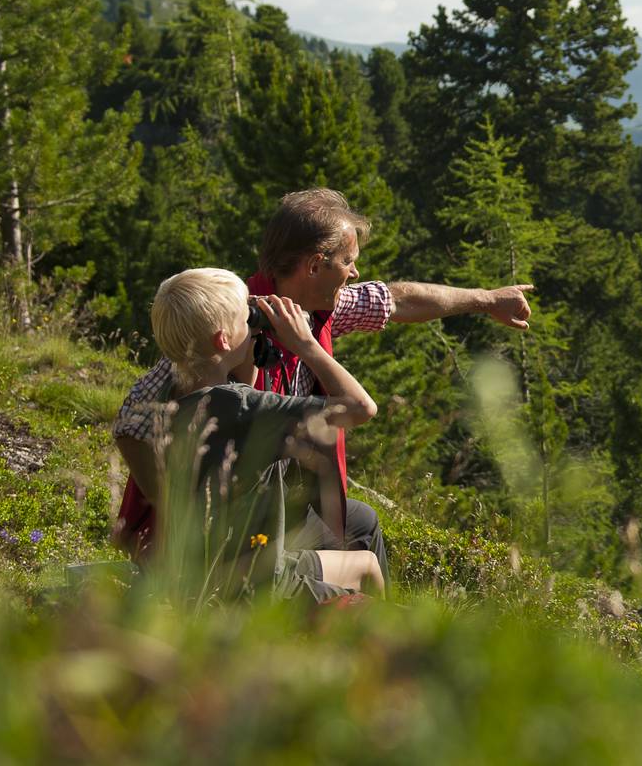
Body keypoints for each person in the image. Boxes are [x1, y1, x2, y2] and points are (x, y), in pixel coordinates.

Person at [111, 188, 533, 575]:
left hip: (273, 500)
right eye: (348, 260)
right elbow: (131, 419)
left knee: (360, 522)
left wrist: (488, 299)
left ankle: (339, 621)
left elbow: (397, 299)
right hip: (229, 527)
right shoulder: (236, 324)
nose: (355, 272)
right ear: (315, 265)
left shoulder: (315, 310)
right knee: (356, 534)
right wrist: (173, 508)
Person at [133, 267, 383, 598]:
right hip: (260, 584)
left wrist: (248, 341)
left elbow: (242, 409)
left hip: (209, 565)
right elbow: (361, 407)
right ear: (223, 339)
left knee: (361, 520)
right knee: (366, 566)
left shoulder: (174, 398)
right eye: (245, 318)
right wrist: (305, 343)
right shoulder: (237, 406)